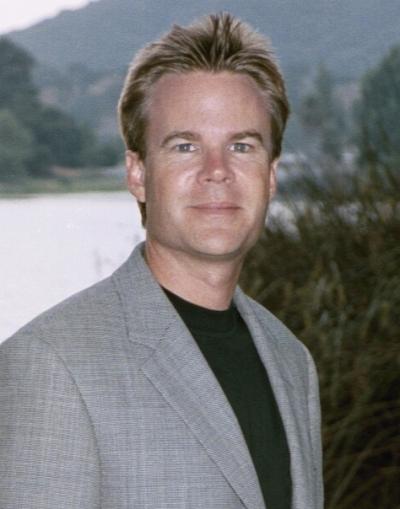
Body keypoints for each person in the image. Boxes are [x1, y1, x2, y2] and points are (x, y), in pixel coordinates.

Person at [0, 12, 323, 509]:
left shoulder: (292, 361)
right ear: (137, 173)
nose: (216, 171)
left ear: (271, 175)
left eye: (241, 146)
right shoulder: (50, 365)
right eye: (185, 146)